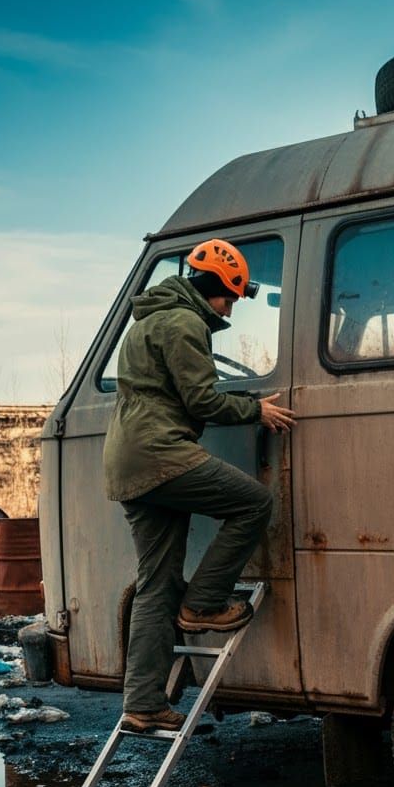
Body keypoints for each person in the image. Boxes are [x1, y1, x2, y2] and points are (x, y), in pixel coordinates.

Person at [103, 238, 296, 733]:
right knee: (254, 503)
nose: (230, 308)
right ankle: (204, 603)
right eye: (229, 298)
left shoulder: (149, 320)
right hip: (161, 455)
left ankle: (143, 704)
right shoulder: (185, 323)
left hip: (128, 462)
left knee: (155, 583)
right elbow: (203, 400)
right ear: (214, 287)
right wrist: (257, 409)